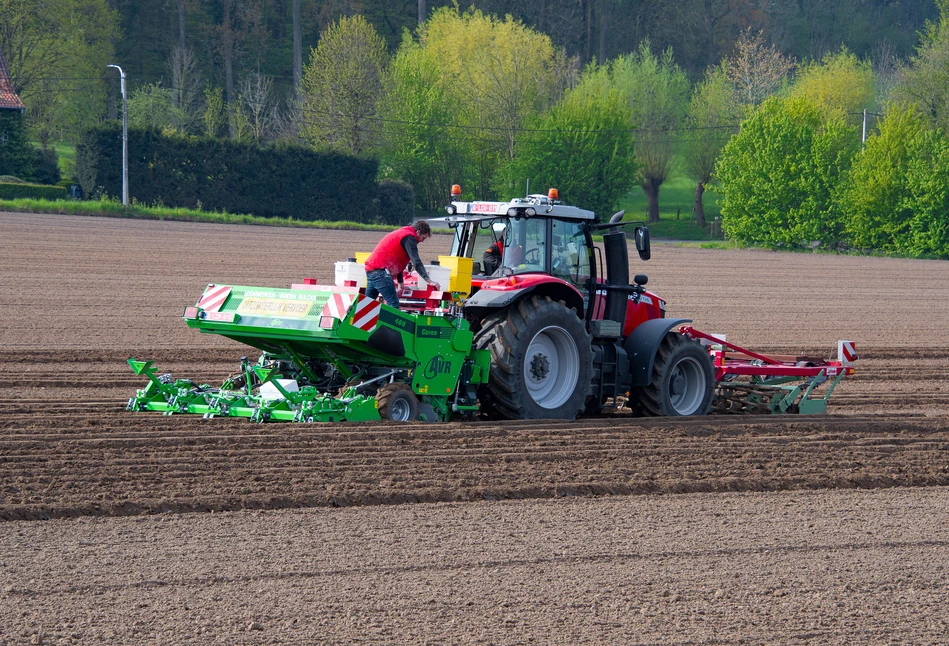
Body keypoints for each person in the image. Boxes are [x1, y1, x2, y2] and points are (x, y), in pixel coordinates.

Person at [364, 220, 440, 307]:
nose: (422, 241)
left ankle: (360, 320)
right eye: (423, 238)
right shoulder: (409, 238)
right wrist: (429, 281)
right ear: (418, 232)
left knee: (367, 306)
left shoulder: (403, 233)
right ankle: (387, 321)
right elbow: (416, 262)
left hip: (371, 270)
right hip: (381, 272)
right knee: (393, 304)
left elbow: (398, 262)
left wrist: (401, 283)